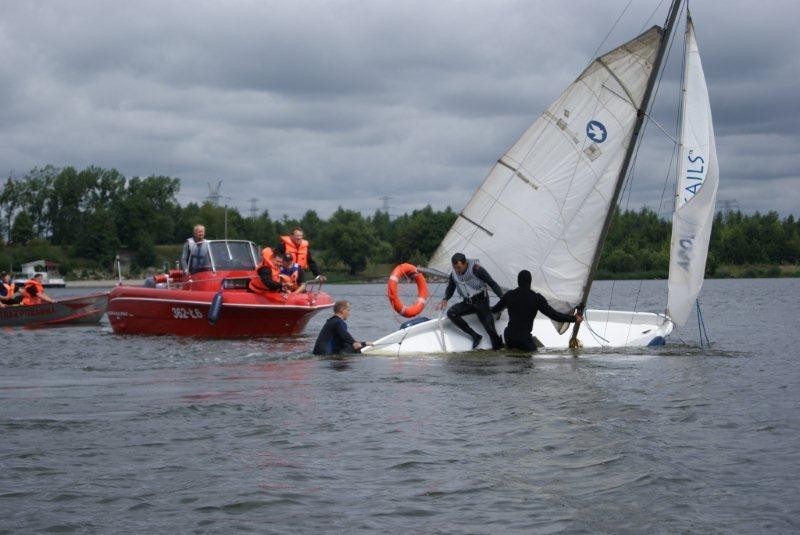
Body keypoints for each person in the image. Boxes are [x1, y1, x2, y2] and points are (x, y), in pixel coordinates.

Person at [491, 269, 583, 351]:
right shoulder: (536, 298)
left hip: (509, 337)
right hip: (524, 340)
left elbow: (495, 309)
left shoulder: (509, 295)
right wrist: (574, 319)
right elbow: (554, 315)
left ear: (518, 282)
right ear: (530, 282)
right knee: (532, 355)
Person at [436, 253, 504, 349]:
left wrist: (504, 298)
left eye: (459, 267)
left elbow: (492, 284)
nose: (457, 270)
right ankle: (475, 336)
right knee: (451, 313)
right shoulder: (454, 274)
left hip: (482, 302)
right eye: (455, 267)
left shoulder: (477, 269)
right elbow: (451, 288)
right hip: (468, 303)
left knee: (491, 331)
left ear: (465, 264)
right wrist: (445, 298)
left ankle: (498, 345)